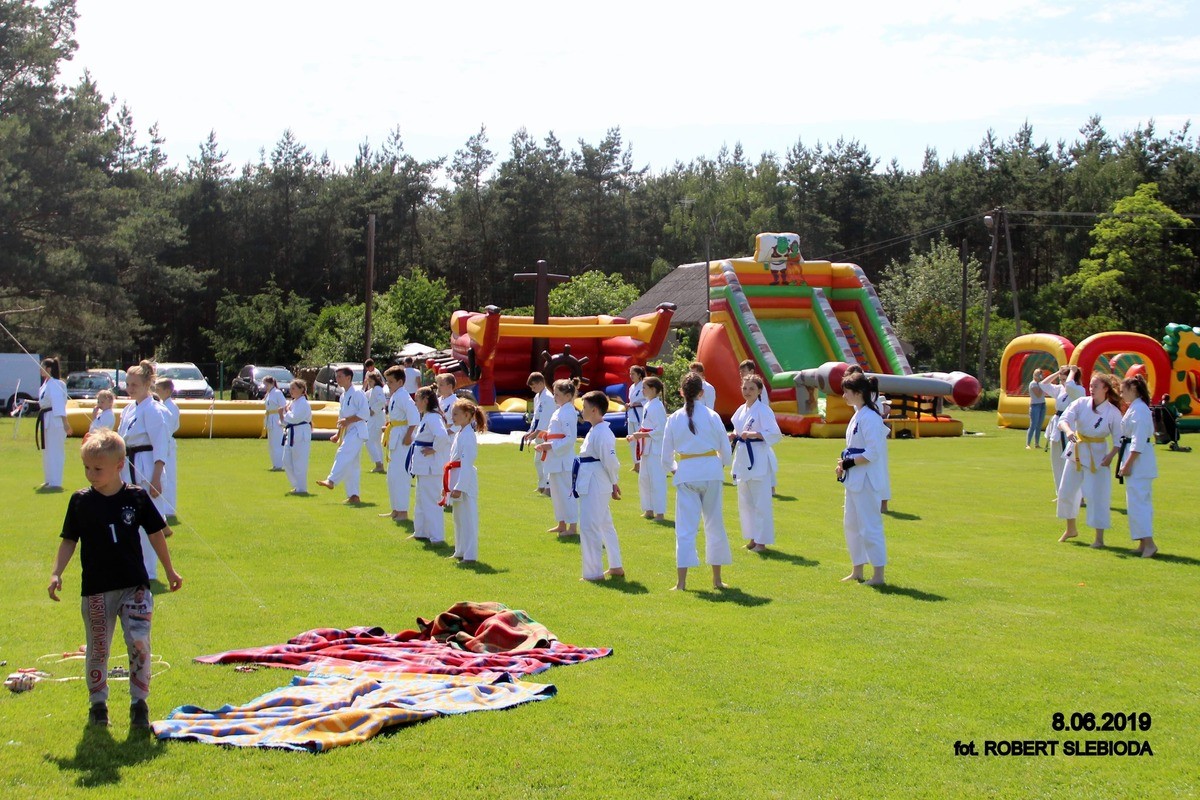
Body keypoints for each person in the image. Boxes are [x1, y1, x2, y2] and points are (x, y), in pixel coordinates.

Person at [47, 429, 183, 729]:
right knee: (98, 647)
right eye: (86, 468)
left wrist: (170, 570)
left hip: (134, 586)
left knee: (139, 642)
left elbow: (155, 534)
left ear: (120, 465)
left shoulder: (136, 497)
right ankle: (98, 705)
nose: (90, 475)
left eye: (98, 469)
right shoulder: (80, 501)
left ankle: (139, 704)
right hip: (96, 589)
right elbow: (69, 540)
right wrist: (56, 572)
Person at [662, 372, 733, 591]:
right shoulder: (712, 416)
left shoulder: (674, 418)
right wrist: (720, 465)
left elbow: (665, 457)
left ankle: (681, 583)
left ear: (681, 392)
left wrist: (676, 469)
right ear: (702, 393)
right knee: (715, 524)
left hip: (687, 472)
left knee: (685, 529)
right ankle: (717, 580)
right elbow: (726, 450)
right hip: (711, 471)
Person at [116, 361, 171, 581]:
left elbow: (161, 446)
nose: (130, 389)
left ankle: (150, 571)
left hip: (147, 466)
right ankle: (135, 565)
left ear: (147, 384)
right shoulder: (129, 409)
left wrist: (156, 478)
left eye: (134, 385)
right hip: (128, 464)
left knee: (149, 520)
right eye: (128, 384)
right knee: (129, 518)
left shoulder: (154, 409)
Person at [1056, 373, 1123, 548]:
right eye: (1091, 386)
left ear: (1105, 389)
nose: (1091, 389)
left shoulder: (1113, 412)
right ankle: (1071, 529)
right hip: (1076, 450)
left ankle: (1099, 538)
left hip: (1098, 456)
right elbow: (1063, 420)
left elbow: (1119, 439)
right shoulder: (1081, 403)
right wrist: (1068, 431)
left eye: (1095, 386)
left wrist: (1111, 456)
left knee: (1097, 496)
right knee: (1066, 491)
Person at [835, 372, 889, 585]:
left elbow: (873, 453)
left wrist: (849, 463)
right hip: (854, 479)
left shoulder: (871, 418)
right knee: (851, 524)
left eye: (846, 392)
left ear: (858, 393)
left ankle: (878, 575)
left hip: (867, 479)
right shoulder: (857, 414)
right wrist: (843, 464)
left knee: (870, 526)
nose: (844, 396)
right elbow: (853, 448)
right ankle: (857, 569)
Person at [575, 391, 624, 581]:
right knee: (604, 524)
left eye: (585, 407)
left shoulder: (603, 432)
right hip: (593, 478)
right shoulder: (595, 430)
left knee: (589, 526)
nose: (582, 410)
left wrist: (614, 481)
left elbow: (610, 461)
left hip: (595, 481)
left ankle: (593, 573)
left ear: (594, 410)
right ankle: (615, 566)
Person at [731, 374, 782, 552]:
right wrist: (734, 435)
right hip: (743, 457)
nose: (747, 391)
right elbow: (738, 429)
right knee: (746, 502)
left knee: (761, 503)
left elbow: (775, 433)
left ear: (759, 391)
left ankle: (762, 542)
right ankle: (752, 538)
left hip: (758, 457)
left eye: (752, 388)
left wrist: (754, 434)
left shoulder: (763, 410)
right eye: (745, 388)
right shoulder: (741, 410)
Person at [1116, 375, 1158, 558]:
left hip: (1139, 464)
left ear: (1133, 389)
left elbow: (1138, 442)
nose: (1121, 394)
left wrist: (1127, 464)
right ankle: (1142, 542)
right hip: (1136, 460)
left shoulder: (1140, 410)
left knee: (1139, 504)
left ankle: (1149, 543)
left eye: (1123, 391)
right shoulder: (1136, 407)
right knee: (1135, 503)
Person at [535, 378, 580, 537]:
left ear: (568, 396)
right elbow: (556, 433)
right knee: (556, 493)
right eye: (554, 394)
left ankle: (572, 527)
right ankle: (561, 523)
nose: (554, 397)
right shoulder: (559, 410)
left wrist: (551, 445)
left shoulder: (569, 412)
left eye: (558, 394)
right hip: (554, 459)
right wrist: (546, 438)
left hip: (563, 460)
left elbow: (570, 438)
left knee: (567, 493)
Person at [316, 367, 368, 504]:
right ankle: (354, 495)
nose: (337, 379)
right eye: (336, 376)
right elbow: (341, 418)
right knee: (352, 465)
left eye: (340, 376)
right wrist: (338, 434)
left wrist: (348, 421)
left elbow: (364, 413)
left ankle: (331, 480)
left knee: (343, 453)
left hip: (358, 430)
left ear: (348, 378)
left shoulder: (358, 393)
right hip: (348, 430)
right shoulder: (343, 396)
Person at [444, 398, 486, 563]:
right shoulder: (459, 433)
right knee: (458, 518)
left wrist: (459, 486)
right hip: (456, 475)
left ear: (467, 415)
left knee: (468, 518)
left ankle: (470, 555)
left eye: (456, 414)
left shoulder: (468, 435)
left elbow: (467, 463)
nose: (452, 417)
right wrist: (449, 485)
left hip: (465, 480)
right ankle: (460, 550)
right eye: (452, 414)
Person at [408, 386, 451, 542]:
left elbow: (442, 436)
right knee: (421, 500)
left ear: (426, 400)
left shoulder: (433, 417)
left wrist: (434, 449)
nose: (415, 403)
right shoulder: (427, 416)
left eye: (417, 400)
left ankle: (437, 536)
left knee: (432, 501)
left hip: (430, 467)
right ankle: (421, 532)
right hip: (423, 465)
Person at [627, 375, 667, 519]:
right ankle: (648, 509)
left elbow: (661, 430)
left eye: (644, 388)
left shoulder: (658, 407)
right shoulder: (648, 405)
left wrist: (641, 435)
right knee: (644, 478)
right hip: (646, 447)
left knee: (657, 480)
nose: (642, 390)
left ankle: (660, 512)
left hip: (655, 449)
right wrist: (635, 436)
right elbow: (645, 426)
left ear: (653, 389)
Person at [382, 366, 420, 521]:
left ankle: (403, 511)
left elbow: (414, 417)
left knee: (401, 476)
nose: (388, 384)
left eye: (391, 381)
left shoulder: (404, 396)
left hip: (403, 438)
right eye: (387, 381)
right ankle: (395, 509)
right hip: (396, 435)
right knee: (392, 476)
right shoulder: (395, 396)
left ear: (400, 382)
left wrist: (409, 435)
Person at [1041, 365, 1086, 496]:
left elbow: (1070, 385)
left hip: (1070, 427)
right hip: (1057, 426)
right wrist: (1058, 372)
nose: (1062, 382)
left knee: (1070, 462)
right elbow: (1043, 384)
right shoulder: (1060, 389)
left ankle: (1076, 494)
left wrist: (1072, 371)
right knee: (1056, 462)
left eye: (1064, 379)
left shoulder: (1078, 390)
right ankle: (1060, 494)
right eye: (1060, 380)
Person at [36, 356, 70, 490]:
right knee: (47, 451)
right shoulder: (46, 384)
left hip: (55, 420)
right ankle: (49, 479)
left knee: (55, 451)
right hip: (46, 418)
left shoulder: (56, 384)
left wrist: (65, 423)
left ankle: (56, 482)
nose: (40, 369)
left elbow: (59, 405)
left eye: (42, 367)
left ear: (49, 369)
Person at [523, 372, 555, 495]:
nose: (532, 389)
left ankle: (548, 487)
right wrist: (530, 431)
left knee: (545, 460)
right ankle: (541, 485)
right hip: (538, 432)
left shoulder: (549, 398)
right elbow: (536, 417)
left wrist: (535, 433)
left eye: (534, 386)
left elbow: (545, 419)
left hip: (546, 433)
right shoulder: (537, 397)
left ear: (541, 383)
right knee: (538, 461)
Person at [153, 377, 180, 519]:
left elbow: (170, 427)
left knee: (169, 477)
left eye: (158, 389)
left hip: (167, 444)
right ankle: (163, 506)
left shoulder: (171, 407)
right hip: (163, 443)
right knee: (164, 476)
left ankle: (169, 508)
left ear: (168, 391)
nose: (156, 392)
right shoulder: (163, 405)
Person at [282, 378, 312, 495]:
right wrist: (283, 415)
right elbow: (286, 420)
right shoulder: (293, 403)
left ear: (302, 389)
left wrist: (285, 412)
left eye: (293, 388)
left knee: (299, 462)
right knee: (286, 461)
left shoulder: (303, 403)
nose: (291, 391)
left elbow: (295, 418)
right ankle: (297, 485)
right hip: (291, 432)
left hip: (301, 433)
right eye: (290, 388)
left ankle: (301, 488)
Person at [364, 372, 387, 474]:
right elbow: (364, 395)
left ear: (375, 380)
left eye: (371, 381)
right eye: (368, 381)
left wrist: (373, 409)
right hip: (375, 417)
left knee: (368, 440)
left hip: (377, 417)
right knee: (376, 442)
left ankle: (378, 463)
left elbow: (382, 401)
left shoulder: (377, 389)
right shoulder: (373, 390)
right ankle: (380, 464)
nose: (369, 383)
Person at [262, 375, 287, 472]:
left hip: (276, 418)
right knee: (271, 443)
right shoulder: (269, 394)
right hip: (270, 419)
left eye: (266, 384)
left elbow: (283, 405)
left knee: (277, 442)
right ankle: (275, 464)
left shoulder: (277, 392)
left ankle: (279, 464)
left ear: (272, 383)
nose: (265, 387)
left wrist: (283, 418)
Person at [625, 365, 647, 472]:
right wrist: (629, 405)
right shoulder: (631, 387)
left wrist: (638, 404)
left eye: (633, 374)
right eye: (630, 374)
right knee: (631, 440)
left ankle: (643, 463)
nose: (631, 376)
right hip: (631, 415)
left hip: (640, 415)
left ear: (639, 375)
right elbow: (632, 401)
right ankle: (636, 464)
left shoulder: (644, 386)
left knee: (640, 440)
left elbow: (648, 400)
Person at [1027, 368, 1048, 450]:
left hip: (1042, 404)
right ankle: (1028, 444)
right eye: (1039, 374)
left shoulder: (1040, 384)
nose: (1041, 376)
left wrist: (1043, 384)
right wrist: (1042, 385)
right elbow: (1038, 395)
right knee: (1033, 425)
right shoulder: (1033, 384)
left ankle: (1037, 443)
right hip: (1035, 405)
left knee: (1039, 425)